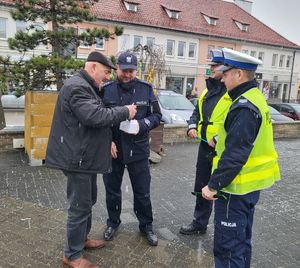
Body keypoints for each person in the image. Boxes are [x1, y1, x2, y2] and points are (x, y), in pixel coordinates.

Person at [45, 51, 137, 268]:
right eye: (105, 72)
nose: (106, 77)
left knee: (87, 202)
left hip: (85, 158)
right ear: (93, 67)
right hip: (78, 159)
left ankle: (81, 240)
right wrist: (125, 111)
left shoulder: (86, 87)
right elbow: (94, 117)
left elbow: (91, 119)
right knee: (79, 207)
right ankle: (72, 255)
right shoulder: (77, 87)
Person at [201, 48, 280, 268]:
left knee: (227, 249)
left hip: (234, 189)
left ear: (239, 74)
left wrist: (213, 185)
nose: (222, 78)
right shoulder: (254, 98)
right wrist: (220, 138)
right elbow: (244, 138)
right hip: (248, 189)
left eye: (226, 74)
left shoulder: (243, 106)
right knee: (242, 243)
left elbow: (236, 155)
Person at [101, 51, 162, 246]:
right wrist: (107, 140)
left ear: (136, 70)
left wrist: (142, 124)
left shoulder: (145, 89)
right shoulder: (106, 89)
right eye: (124, 70)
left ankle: (146, 226)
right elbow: (99, 118)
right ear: (116, 68)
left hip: (138, 149)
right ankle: (113, 223)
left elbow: (157, 116)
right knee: (112, 191)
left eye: (131, 71)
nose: (127, 74)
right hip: (114, 150)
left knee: (142, 192)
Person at [180, 49, 232, 235]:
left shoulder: (231, 92)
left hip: (223, 148)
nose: (211, 69)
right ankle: (199, 223)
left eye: (215, 66)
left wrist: (218, 138)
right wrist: (192, 126)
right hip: (205, 146)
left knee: (220, 186)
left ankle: (223, 227)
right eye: (210, 65)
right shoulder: (207, 91)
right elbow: (196, 112)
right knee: (202, 184)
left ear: (225, 68)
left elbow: (233, 122)